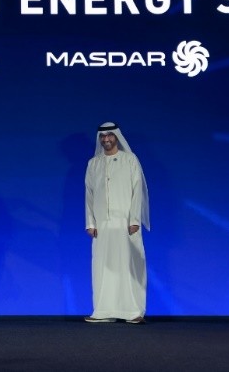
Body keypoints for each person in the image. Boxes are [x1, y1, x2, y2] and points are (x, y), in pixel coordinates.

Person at [84, 122, 150, 324]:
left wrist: (134, 219)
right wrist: (90, 223)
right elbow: (89, 194)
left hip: (125, 224)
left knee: (129, 266)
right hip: (102, 226)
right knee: (102, 267)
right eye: (103, 136)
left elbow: (137, 190)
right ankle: (104, 311)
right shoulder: (93, 163)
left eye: (110, 135)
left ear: (116, 137)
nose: (106, 139)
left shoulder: (129, 160)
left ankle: (133, 312)